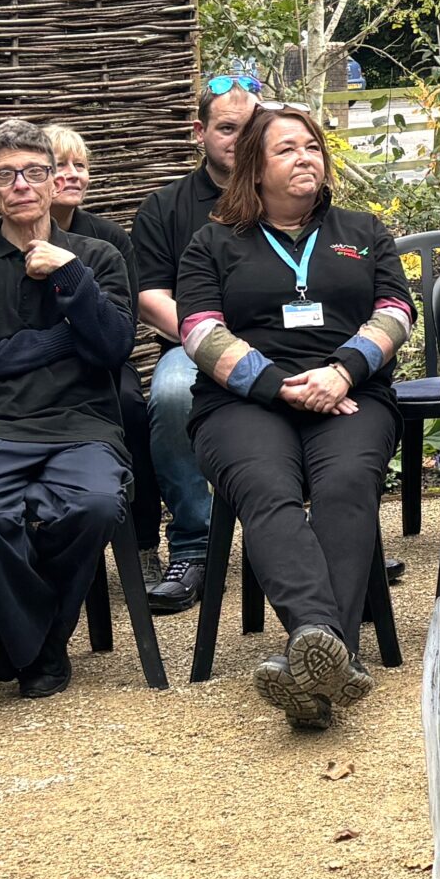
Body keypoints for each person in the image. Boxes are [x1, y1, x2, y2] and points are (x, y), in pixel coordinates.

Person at [176, 101, 413, 731]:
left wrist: (341, 371)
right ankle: (325, 646)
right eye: (286, 149)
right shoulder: (213, 243)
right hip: (243, 401)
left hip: (350, 392)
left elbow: (396, 311)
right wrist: (282, 386)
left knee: (345, 484)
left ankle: (312, 657)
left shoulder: (362, 229)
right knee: (266, 486)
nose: (305, 157)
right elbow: (198, 330)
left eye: (311, 146)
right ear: (255, 167)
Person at [0, 120, 135, 698]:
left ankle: (14, 640)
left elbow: (115, 347)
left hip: (83, 427)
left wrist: (69, 278)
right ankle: (41, 645)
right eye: (6, 175)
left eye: (34, 172)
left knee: (93, 505)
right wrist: (61, 341)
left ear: (52, 181)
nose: (22, 184)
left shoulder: (95, 257)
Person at [131, 77, 261, 609]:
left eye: (250, 128)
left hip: (283, 343)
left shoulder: (289, 197)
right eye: (226, 128)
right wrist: (213, 343)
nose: (239, 138)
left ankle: (333, 534)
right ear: (199, 132)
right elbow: (147, 296)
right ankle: (194, 546)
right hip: (191, 351)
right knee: (167, 396)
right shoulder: (165, 208)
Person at [43, 121, 160, 572]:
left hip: (103, 365)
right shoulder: (8, 238)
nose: (72, 174)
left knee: (131, 406)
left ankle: (145, 544)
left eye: (81, 165)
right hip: (36, 369)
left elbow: (122, 325)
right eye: (59, 165)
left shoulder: (111, 240)